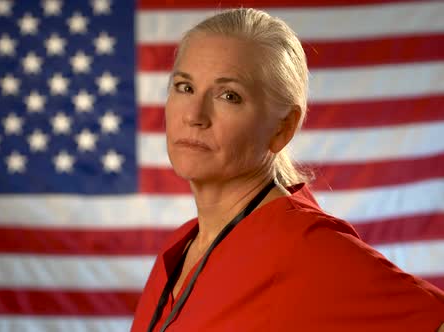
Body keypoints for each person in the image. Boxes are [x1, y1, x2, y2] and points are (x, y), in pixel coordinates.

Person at [131, 7, 444, 332]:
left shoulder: (308, 249)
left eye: (229, 95)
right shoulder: (179, 248)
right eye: (184, 87)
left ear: (283, 127)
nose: (195, 114)